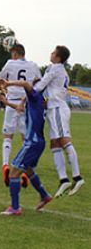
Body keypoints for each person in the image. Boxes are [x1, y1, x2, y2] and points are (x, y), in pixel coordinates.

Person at [34, 46, 85, 197]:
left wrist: (27, 88)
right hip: (53, 108)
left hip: (57, 108)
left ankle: (77, 177)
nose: (50, 53)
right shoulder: (58, 69)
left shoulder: (55, 68)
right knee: (55, 144)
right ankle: (64, 180)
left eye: (53, 52)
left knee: (63, 141)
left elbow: (40, 87)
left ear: (58, 57)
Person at [0, 78, 52, 216]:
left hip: (31, 142)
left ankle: (15, 207)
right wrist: (8, 102)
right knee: (28, 170)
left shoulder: (34, 96)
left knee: (14, 172)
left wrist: (8, 83)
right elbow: (21, 108)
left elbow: (25, 84)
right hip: (38, 141)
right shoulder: (36, 99)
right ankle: (44, 195)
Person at [0, 43, 41, 187]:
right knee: (25, 138)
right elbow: (39, 82)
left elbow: (0, 79)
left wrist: (2, 90)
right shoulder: (33, 65)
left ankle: (5, 165)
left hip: (12, 102)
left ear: (15, 54)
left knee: (8, 136)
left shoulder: (10, 63)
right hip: (26, 104)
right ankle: (24, 170)